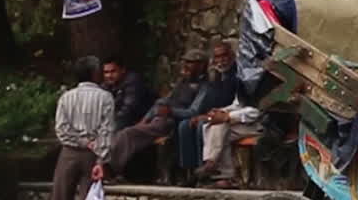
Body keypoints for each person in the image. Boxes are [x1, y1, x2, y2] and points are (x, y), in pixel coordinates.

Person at [42, 56, 114, 200]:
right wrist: (101, 157)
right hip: (92, 156)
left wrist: (79, 141)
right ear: (94, 74)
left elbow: (61, 129)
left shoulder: (66, 98)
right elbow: (107, 130)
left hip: (68, 153)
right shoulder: (105, 98)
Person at [107, 49, 209, 178]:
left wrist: (172, 112)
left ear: (200, 65)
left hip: (173, 121)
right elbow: (162, 102)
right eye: (185, 62)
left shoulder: (205, 86)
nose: (186, 66)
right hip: (160, 118)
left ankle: (111, 168)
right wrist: (146, 118)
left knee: (128, 134)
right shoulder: (182, 82)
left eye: (190, 63)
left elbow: (194, 111)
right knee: (124, 132)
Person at [177, 41, 240, 173]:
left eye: (224, 56)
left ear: (232, 56)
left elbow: (233, 102)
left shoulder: (236, 75)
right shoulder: (214, 76)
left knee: (202, 126)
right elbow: (209, 100)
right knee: (185, 125)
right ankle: (189, 171)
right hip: (212, 112)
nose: (221, 60)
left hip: (229, 114)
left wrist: (208, 116)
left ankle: (204, 169)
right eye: (217, 57)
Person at [193, 94, 263, 188]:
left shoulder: (265, 88)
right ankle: (225, 175)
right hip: (240, 123)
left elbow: (256, 112)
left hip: (258, 125)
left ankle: (211, 163)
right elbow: (237, 105)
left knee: (221, 125)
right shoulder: (243, 88)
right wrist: (220, 111)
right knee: (216, 127)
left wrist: (228, 115)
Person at [102, 54, 152, 129]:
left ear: (122, 70)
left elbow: (128, 110)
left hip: (141, 122)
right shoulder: (106, 85)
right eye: (106, 72)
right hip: (120, 122)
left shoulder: (133, 82)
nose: (109, 75)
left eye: (113, 71)